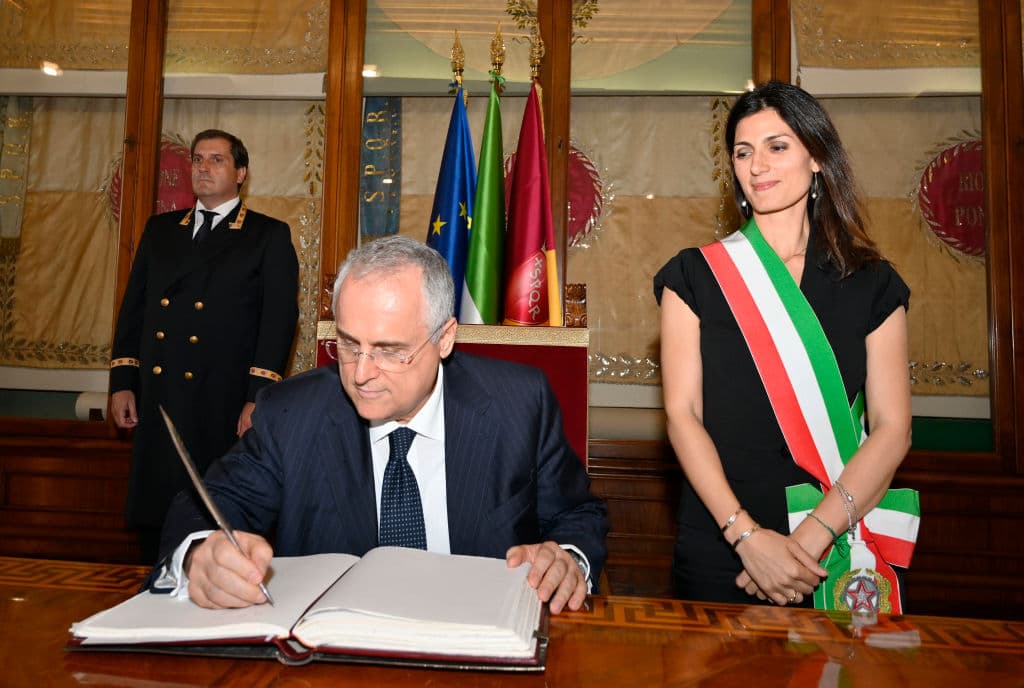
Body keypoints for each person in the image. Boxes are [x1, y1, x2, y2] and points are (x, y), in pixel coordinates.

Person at [153, 235, 608, 614]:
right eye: (349, 344)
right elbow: (202, 505)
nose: (361, 372)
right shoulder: (293, 413)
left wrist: (567, 558)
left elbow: (576, 513)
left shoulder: (517, 403)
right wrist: (199, 554)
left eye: (390, 350)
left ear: (444, 338)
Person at [654, 82, 914, 609]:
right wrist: (747, 538)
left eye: (778, 146)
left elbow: (893, 430)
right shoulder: (695, 275)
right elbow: (682, 416)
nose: (757, 166)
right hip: (722, 544)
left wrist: (808, 541)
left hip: (836, 541)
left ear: (816, 157)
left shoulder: (873, 283)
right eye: (743, 152)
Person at [110, 129, 299, 564]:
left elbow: (278, 324)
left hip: (221, 398)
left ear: (241, 173)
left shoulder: (266, 235)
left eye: (216, 160)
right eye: (198, 159)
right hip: (159, 397)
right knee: (157, 513)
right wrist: (123, 380)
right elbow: (134, 310)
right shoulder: (161, 231)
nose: (203, 168)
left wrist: (257, 400)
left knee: (214, 513)